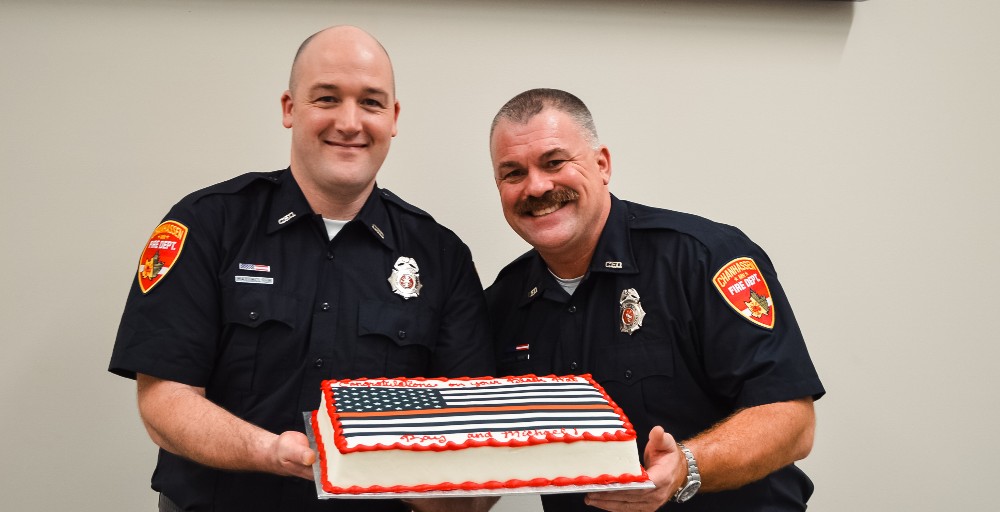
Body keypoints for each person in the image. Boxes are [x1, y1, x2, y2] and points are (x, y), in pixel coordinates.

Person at [109, 26, 496, 512]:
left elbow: (476, 448)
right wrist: (271, 452)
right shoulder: (209, 223)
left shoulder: (442, 258)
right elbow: (164, 403)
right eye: (327, 98)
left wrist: (401, 478)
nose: (350, 122)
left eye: (371, 102)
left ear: (393, 118)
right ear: (290, 108)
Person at [485, 88, 825, 512]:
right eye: (513, 173)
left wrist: (686, 466)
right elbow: (487, 456)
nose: (536, 186)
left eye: (554, 162)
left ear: (602, 164)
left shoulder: (702, 257)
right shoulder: (503, 304)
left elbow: (792, 420)